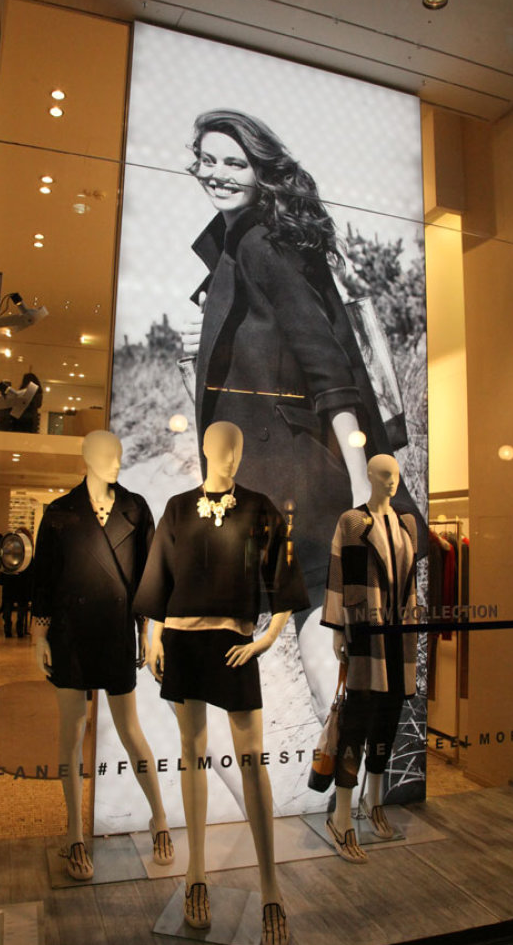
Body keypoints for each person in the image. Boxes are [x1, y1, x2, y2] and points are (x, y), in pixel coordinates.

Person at [182, 108, 425, 718]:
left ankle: (345, 744)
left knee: (315, 619)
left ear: (261, 172)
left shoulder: (260, 243)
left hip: (297, 478)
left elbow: (325, 366)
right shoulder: (244, 244)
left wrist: (360, 484)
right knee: (318, 621)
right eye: (208, 160)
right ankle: (345, 747)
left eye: (235, 162)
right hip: (284, 474)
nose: (218, 173)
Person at [134, 422, 309, 945]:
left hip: (234, 643)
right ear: (206, 449)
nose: (231, 456)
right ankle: (196, 874)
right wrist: (153, 634)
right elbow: (160, 576)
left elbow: (283, 578)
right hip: (183, 642)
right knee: (192, 753)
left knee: (252, 758)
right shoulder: (178, 508)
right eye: (222, 447)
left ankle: (271, 887)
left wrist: (267, 639)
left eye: (237, 447)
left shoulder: (259, 509)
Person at [31, 430, 174, 880]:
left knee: (131, 730)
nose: (116, 461)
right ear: (86, 457)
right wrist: (39, 635)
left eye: (119, 454)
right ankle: (74, 833)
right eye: (107, 455)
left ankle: (159, 818)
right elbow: (43, 578)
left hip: (117, 630)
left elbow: (151, 575)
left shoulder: (135, 508)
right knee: (71, 733)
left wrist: (150, 631)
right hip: (69, 633)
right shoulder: (60, 512)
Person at [320, 454, 418, 862]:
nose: (391, 481)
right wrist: (338, 629)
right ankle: (340, 816)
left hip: (399, 636)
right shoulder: (352, 522)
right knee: (357, 721)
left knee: (388, 717)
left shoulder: (407, 523)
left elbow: (410, 583)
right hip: (365, 633)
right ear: (369, 476)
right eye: (383, 474)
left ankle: (373, 800)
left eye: (395, 474)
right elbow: (338, 574)